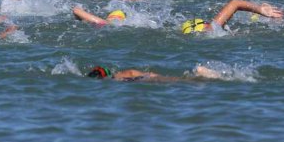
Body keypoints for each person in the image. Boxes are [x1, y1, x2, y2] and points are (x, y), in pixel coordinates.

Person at [180, 0, 284, 35]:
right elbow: (235, 3)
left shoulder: (205, 34)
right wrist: (260, 10)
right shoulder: (212, 28)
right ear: (204, 24)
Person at [86, 64, 221, 82]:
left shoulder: (116, 78)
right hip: (143, 76)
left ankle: (199, 76)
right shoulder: (119, 75)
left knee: (181, 81)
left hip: (143, 78)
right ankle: (198, 75)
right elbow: (132, 72)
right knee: (178, 79)